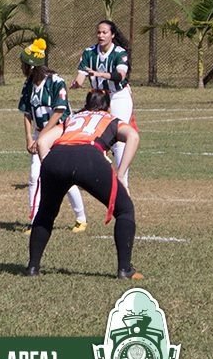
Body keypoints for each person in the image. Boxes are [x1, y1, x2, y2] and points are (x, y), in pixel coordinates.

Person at [26, 89, 142, 280]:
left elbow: (43, 142)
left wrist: (51, 166)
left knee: (46, 213)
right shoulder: (109, 118)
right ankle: (124, 269)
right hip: (89, 156)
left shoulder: (73, 118)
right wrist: (120, 175)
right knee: (124, 210)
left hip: (57, 157)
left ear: (87, 104)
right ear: (107, 106)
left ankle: (32, 268)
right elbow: (133, 136)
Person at [18, 38, 87, 233]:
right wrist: (30, 138)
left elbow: (59, 111)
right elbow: (26, 113)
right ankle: (35, 221)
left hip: (61, 131)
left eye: (24, 63)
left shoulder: (56, 82)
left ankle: (81, 218)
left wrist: (42, 137)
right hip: (41, 134)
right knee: (34, 176)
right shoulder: (28, 85)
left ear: (32, 65)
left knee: (62, 176)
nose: (22, 66)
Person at [70, 20, 135, 186]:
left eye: (105, 32)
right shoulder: (89, 52)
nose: (101, 35)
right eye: (99, 32)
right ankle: (96, 175)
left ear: (112, 35)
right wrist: (77, 83)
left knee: (118, 137)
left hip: (118, 96)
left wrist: (99, 74)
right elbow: (82, 75)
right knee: (93, 134)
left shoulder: (120, 53)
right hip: (99, 98)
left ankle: (122, 180)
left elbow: (119, 75)